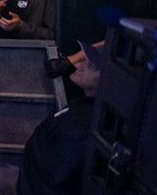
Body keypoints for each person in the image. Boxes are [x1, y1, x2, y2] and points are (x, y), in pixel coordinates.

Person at [16, 41, 105, 195]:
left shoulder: (80, 127)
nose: (78, 65)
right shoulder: (80, 109)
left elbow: (55, 182)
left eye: (90, 66)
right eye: (83, 59)